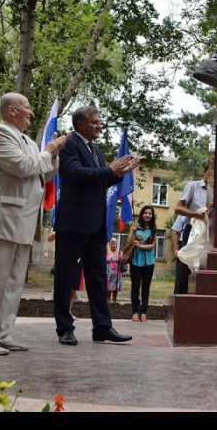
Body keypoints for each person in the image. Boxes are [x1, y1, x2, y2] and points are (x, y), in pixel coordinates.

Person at [0, 92, 68, 355]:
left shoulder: (27, 140)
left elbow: (44, 173)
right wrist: (47, 152)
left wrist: (54, 154)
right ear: (11, 111)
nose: (31, 112)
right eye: (26, 108)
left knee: (12, 283)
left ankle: (2, 333)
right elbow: (24, 166)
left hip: (22, 221)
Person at [53, 105, 140, 346]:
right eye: (94, 122)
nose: (99, 126)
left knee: (98, 278)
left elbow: (101, 180)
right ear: (80, 123)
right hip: (72, 223)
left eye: (99, 122)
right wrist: (108, 170)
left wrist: (120, 173)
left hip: (96, 224)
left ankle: (102, 327)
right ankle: (64, 328)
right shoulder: (69, 144)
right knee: (65, 277)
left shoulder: (95, 149)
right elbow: (75, 174)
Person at [173, 162, 211, 294]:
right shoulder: (193, 186)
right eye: (209, 171)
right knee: (185, 269)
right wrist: (195, 214)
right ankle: (180, 303)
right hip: (192, 232)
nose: (211, 175)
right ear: (205, 171)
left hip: (211, 235)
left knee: (206, 270)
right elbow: (178, 208)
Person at [124, 205, 156, 322]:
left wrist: (140, 245)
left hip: (149, 262)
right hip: (135, 262)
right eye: (145, 213)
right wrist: (132, 233)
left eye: (150, 213)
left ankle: (144, 311)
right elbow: (128, 244)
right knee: (135, 287)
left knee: (146, 287)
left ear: (152, 216)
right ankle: (135, 312)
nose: (147, 215)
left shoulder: (153, 230)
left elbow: (152, 245)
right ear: (142, 214)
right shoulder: (135, 227)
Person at [106, 238, 122, 303]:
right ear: (109, 245)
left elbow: (123, 260)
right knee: (108, 287)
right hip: (108, 273)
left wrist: (121, 257)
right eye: (111, 244)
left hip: (117, 273)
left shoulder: (120, 252)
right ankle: (108, 300)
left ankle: (114, 301)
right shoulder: (106, 252)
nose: (113, 245)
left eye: (114, 244)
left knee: (115, 287)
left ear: (116, 245)